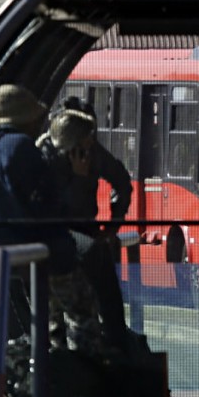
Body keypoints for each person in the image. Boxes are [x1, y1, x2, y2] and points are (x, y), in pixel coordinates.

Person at [0, 83, 101, 354]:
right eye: (35, 117)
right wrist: (75, 178)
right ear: (24, 118)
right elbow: (51, 210)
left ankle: (54, 351)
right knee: (83, 298)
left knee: (50, 304)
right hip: (29, 248)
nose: (39, 124)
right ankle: (88, 364)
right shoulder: (20, 148)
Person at [37, 101, 133, 350]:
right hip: (56, 233)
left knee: (106, 288)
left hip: (87, 230)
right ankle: (63, 349)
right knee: (63, 302)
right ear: (71, 142)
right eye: (87, 138)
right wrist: (78, 179)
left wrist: (114, 225)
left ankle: (116, 343)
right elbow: (52, 206)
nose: (92, 144)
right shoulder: (44, 156)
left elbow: (122, 181)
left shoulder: (92, 152)